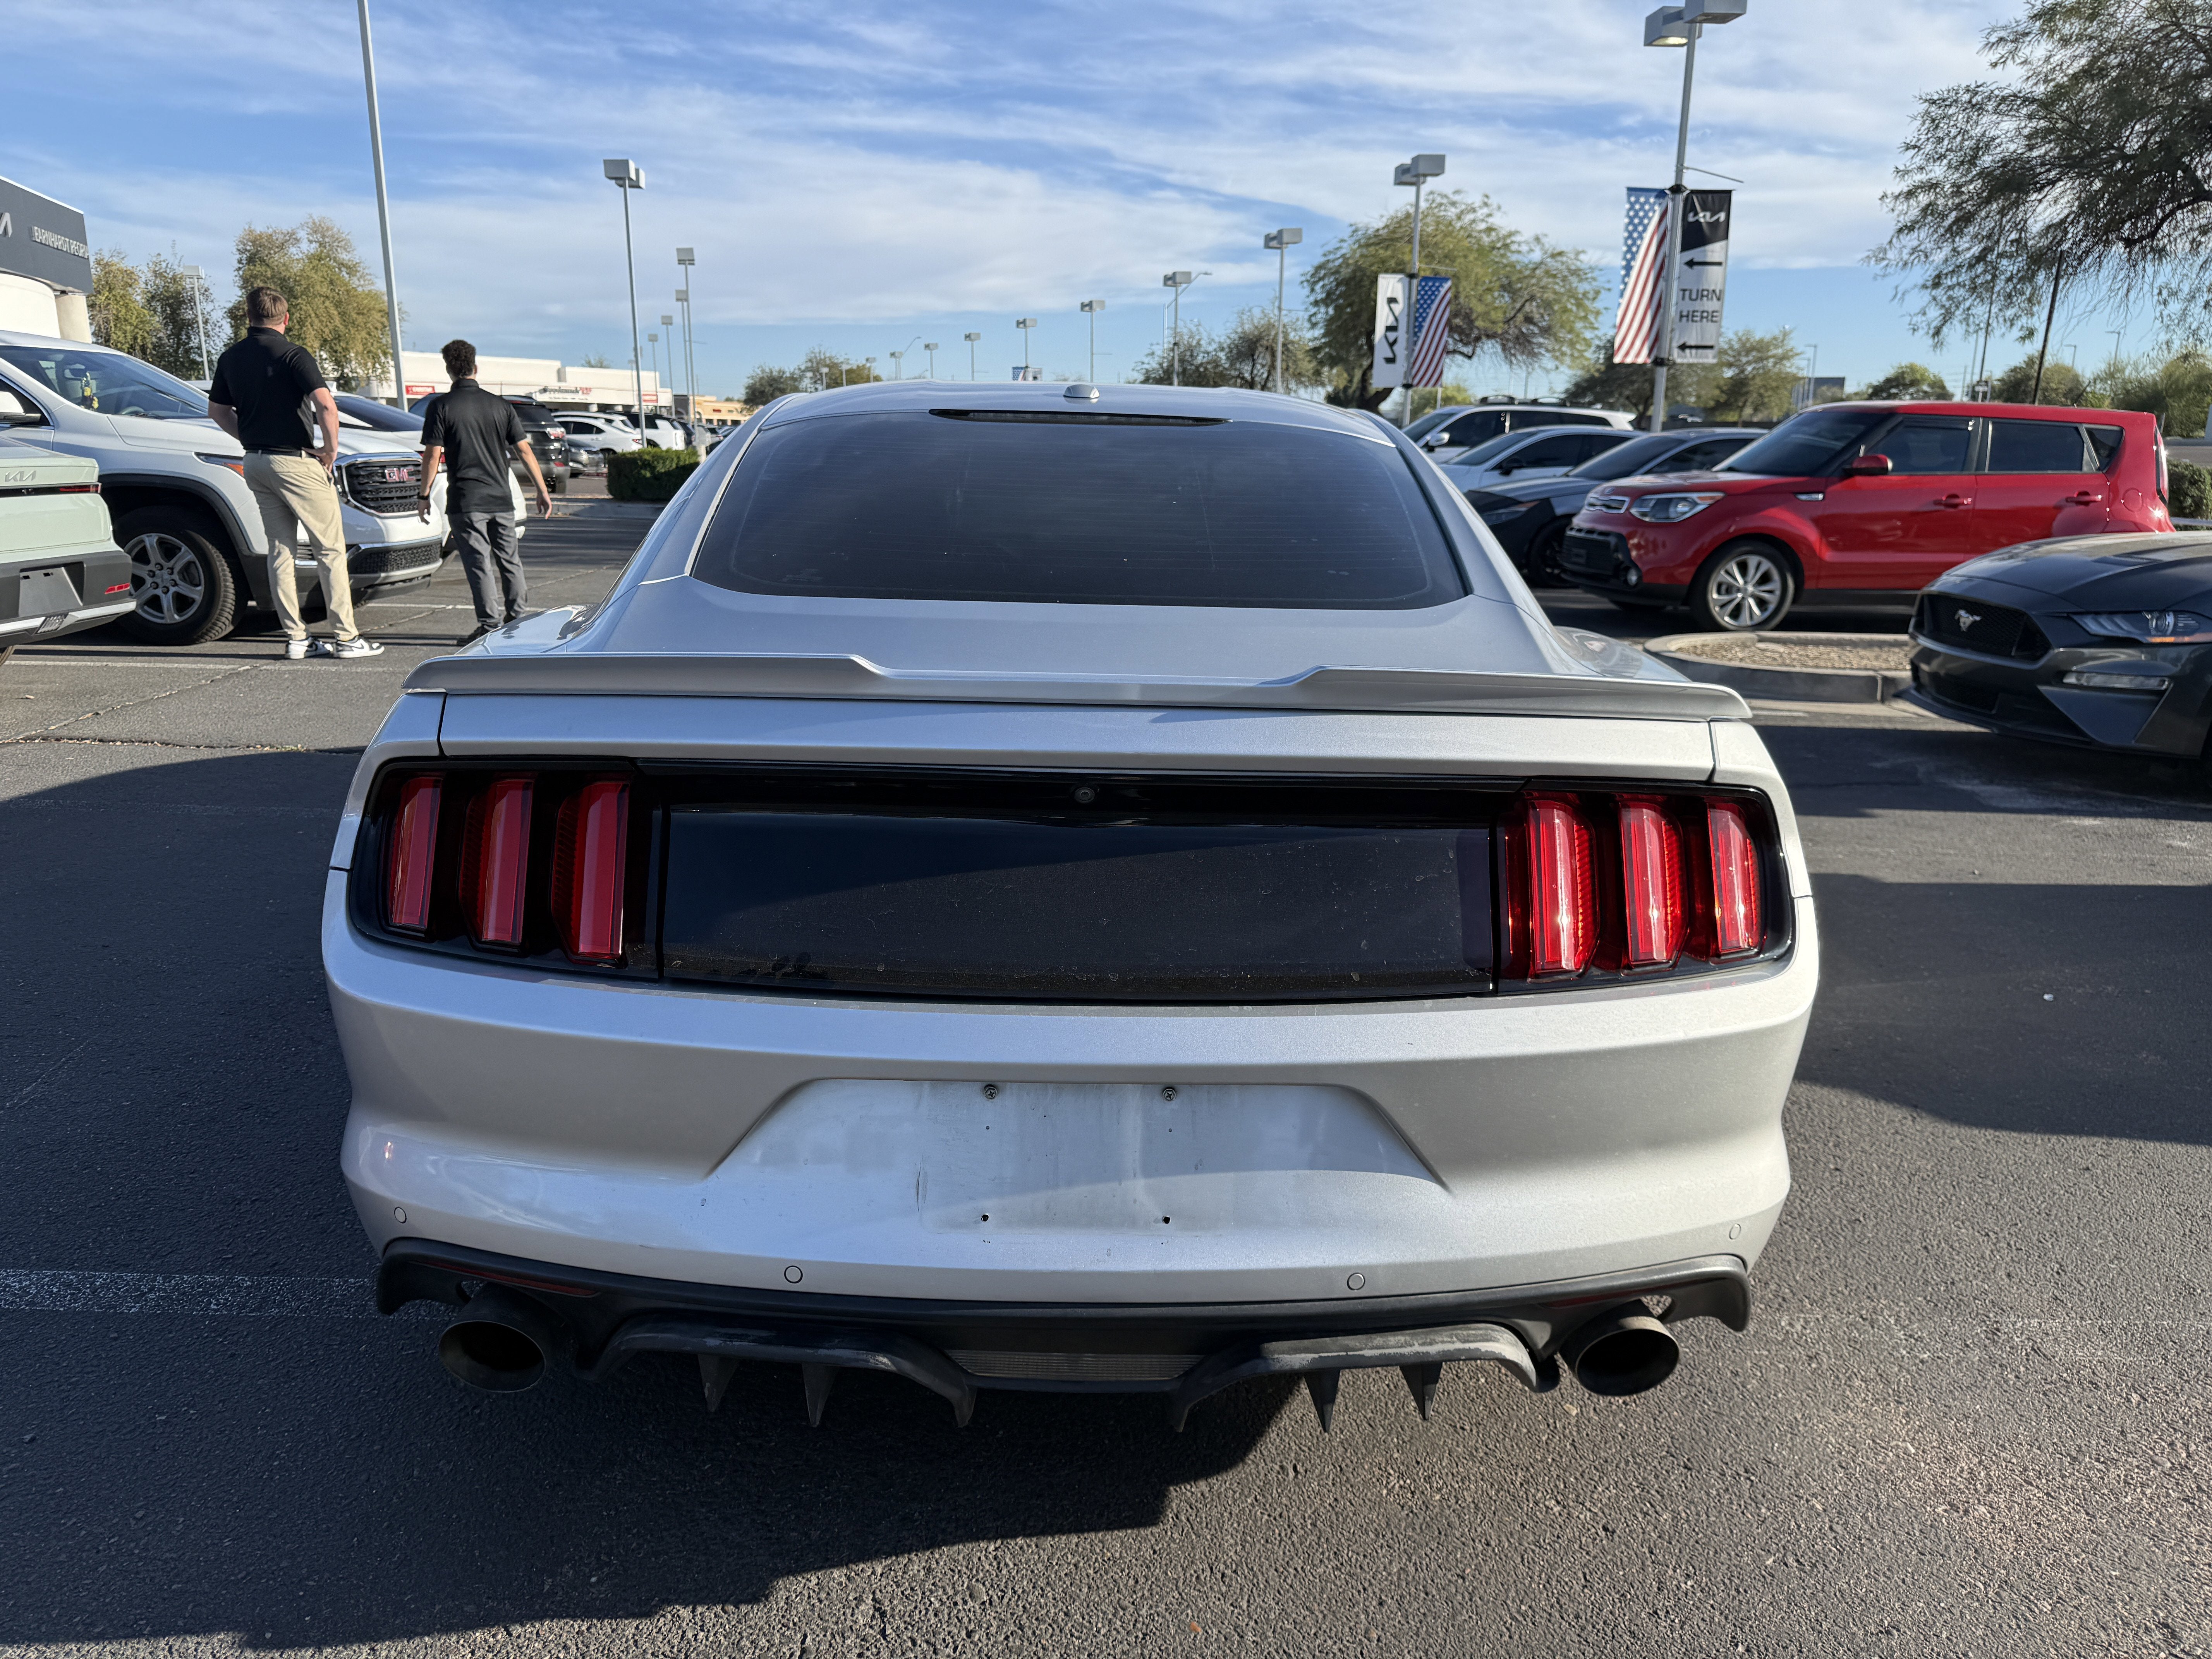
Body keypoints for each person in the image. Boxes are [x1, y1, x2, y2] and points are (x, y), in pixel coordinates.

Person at [206, 286, 381, 660]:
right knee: (329, 549)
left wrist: (251, 438)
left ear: (248, 317)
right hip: (296, 461)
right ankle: (347, 638)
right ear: (285, 319)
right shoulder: (293, 354)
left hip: (256, 461)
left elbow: (218, 412)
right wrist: (330, 450)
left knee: (280, 550)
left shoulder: (231, 357)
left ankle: (297, 638)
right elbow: (326, 406)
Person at [417, 340, 552, 644]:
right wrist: (542, 490)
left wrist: (424, 495)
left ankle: (489, 625)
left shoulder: (441, 407)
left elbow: (433, 455)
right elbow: (524, 451)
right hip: (501, 498)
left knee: (479, 564)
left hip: (467, 500)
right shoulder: (501, 406)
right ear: (475, 368)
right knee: (510, 560)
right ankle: (517, 621)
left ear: (449, 370)